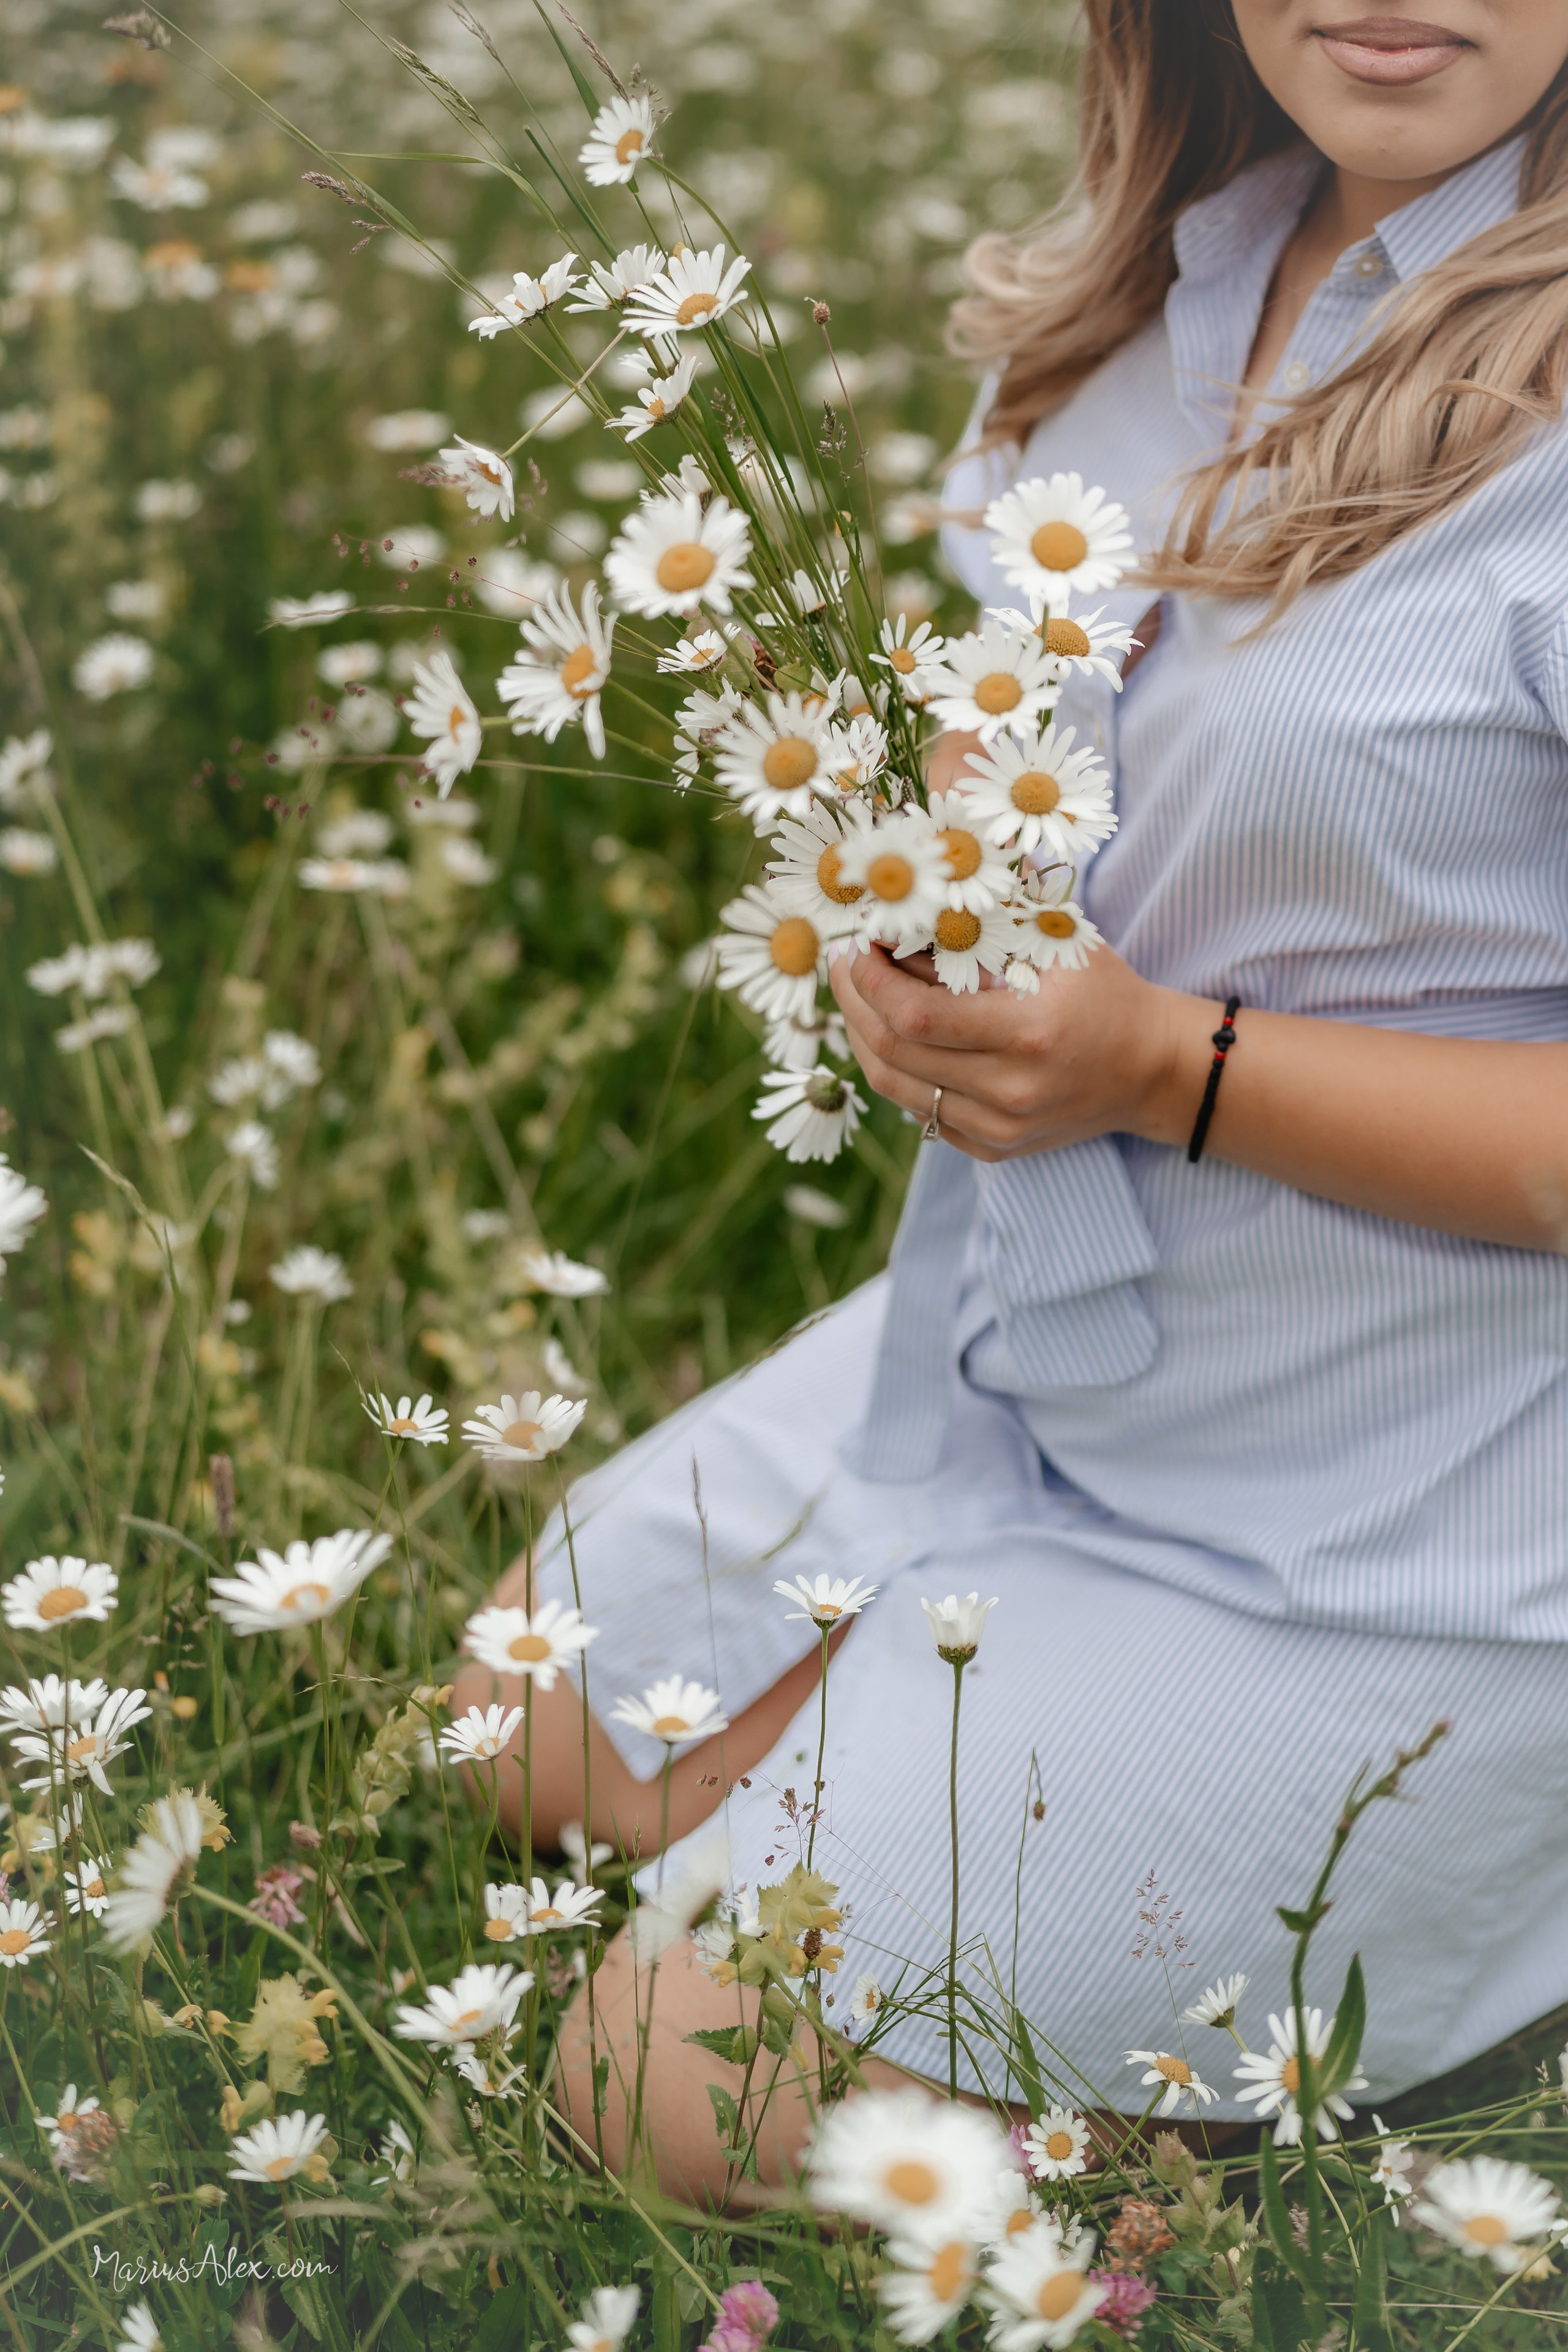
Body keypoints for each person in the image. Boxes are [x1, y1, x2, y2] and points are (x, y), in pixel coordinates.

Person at [454, 0, 1568, 2202]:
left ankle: (1439, 1942)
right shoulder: (1143, 322)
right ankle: (1016, 1825)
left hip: (1415, 1517)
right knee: (529, 1726)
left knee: (651, 2089)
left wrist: (1164, 1065)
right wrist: (936, 897)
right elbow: (1027, 733)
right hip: (1046, 1359)